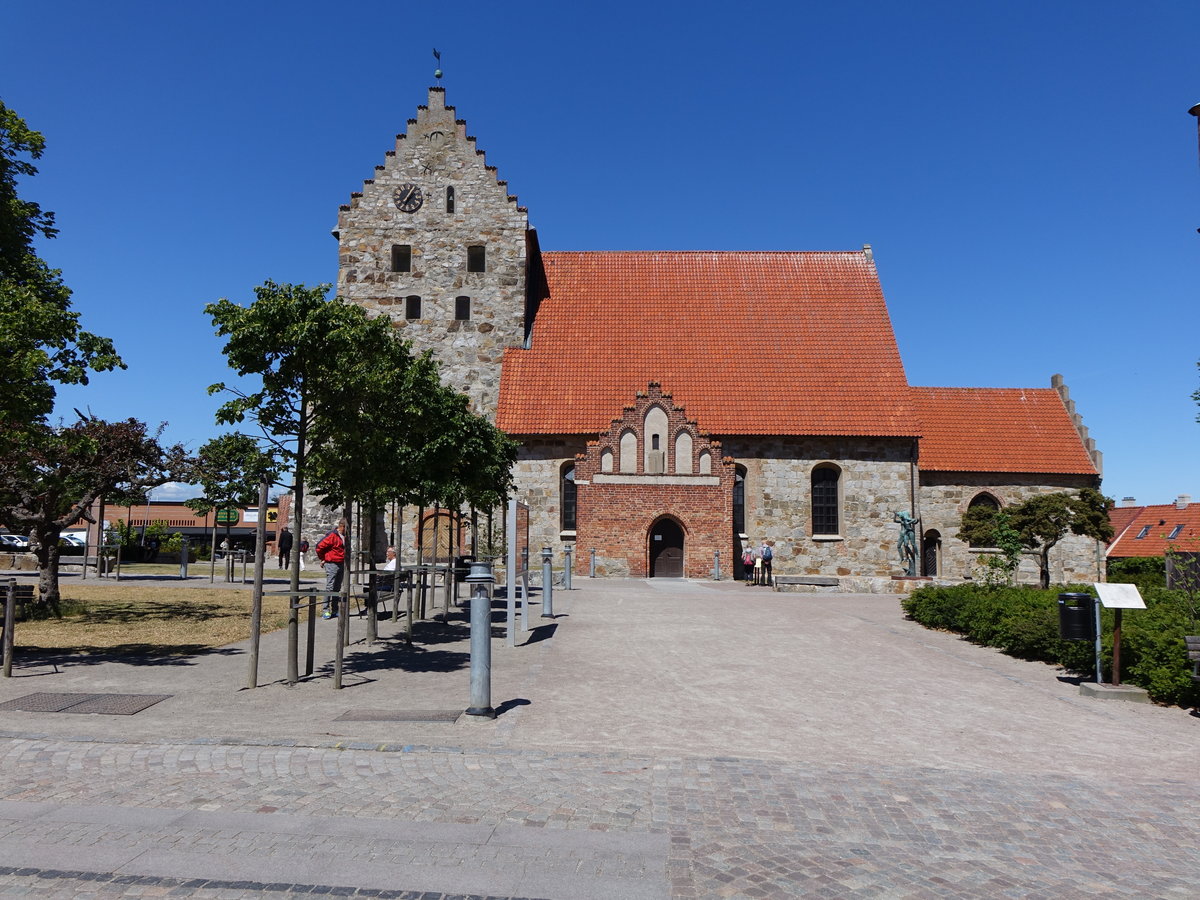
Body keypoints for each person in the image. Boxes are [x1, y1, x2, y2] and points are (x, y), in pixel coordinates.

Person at [315, 519, 348, 618]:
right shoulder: (332, 535)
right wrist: (323, 558)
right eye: (347, 528)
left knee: (337, 587)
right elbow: (319, 546)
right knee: (330, 587)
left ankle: (335, 609)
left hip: (341, 563)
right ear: (342, 526)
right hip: (331, 563)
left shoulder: (345, 537)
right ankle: (325, 609)